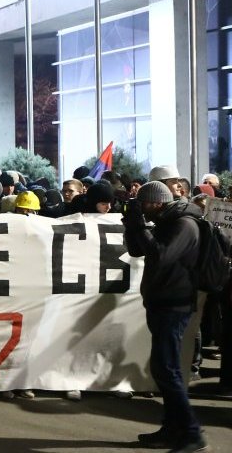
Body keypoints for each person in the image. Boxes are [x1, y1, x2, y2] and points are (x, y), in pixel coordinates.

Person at [122, 181, 207, 452]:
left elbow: (159, 255)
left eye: (144, 204)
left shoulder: (184, 224)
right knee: (162, 369)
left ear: (157, 201)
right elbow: (137, 251)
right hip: (161, 301)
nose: (143, 210)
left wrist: (140, 225)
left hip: (175, 303)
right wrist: (132, 224)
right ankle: (172, 429)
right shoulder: (165, 220)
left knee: (167, 369)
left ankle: (192, 433)